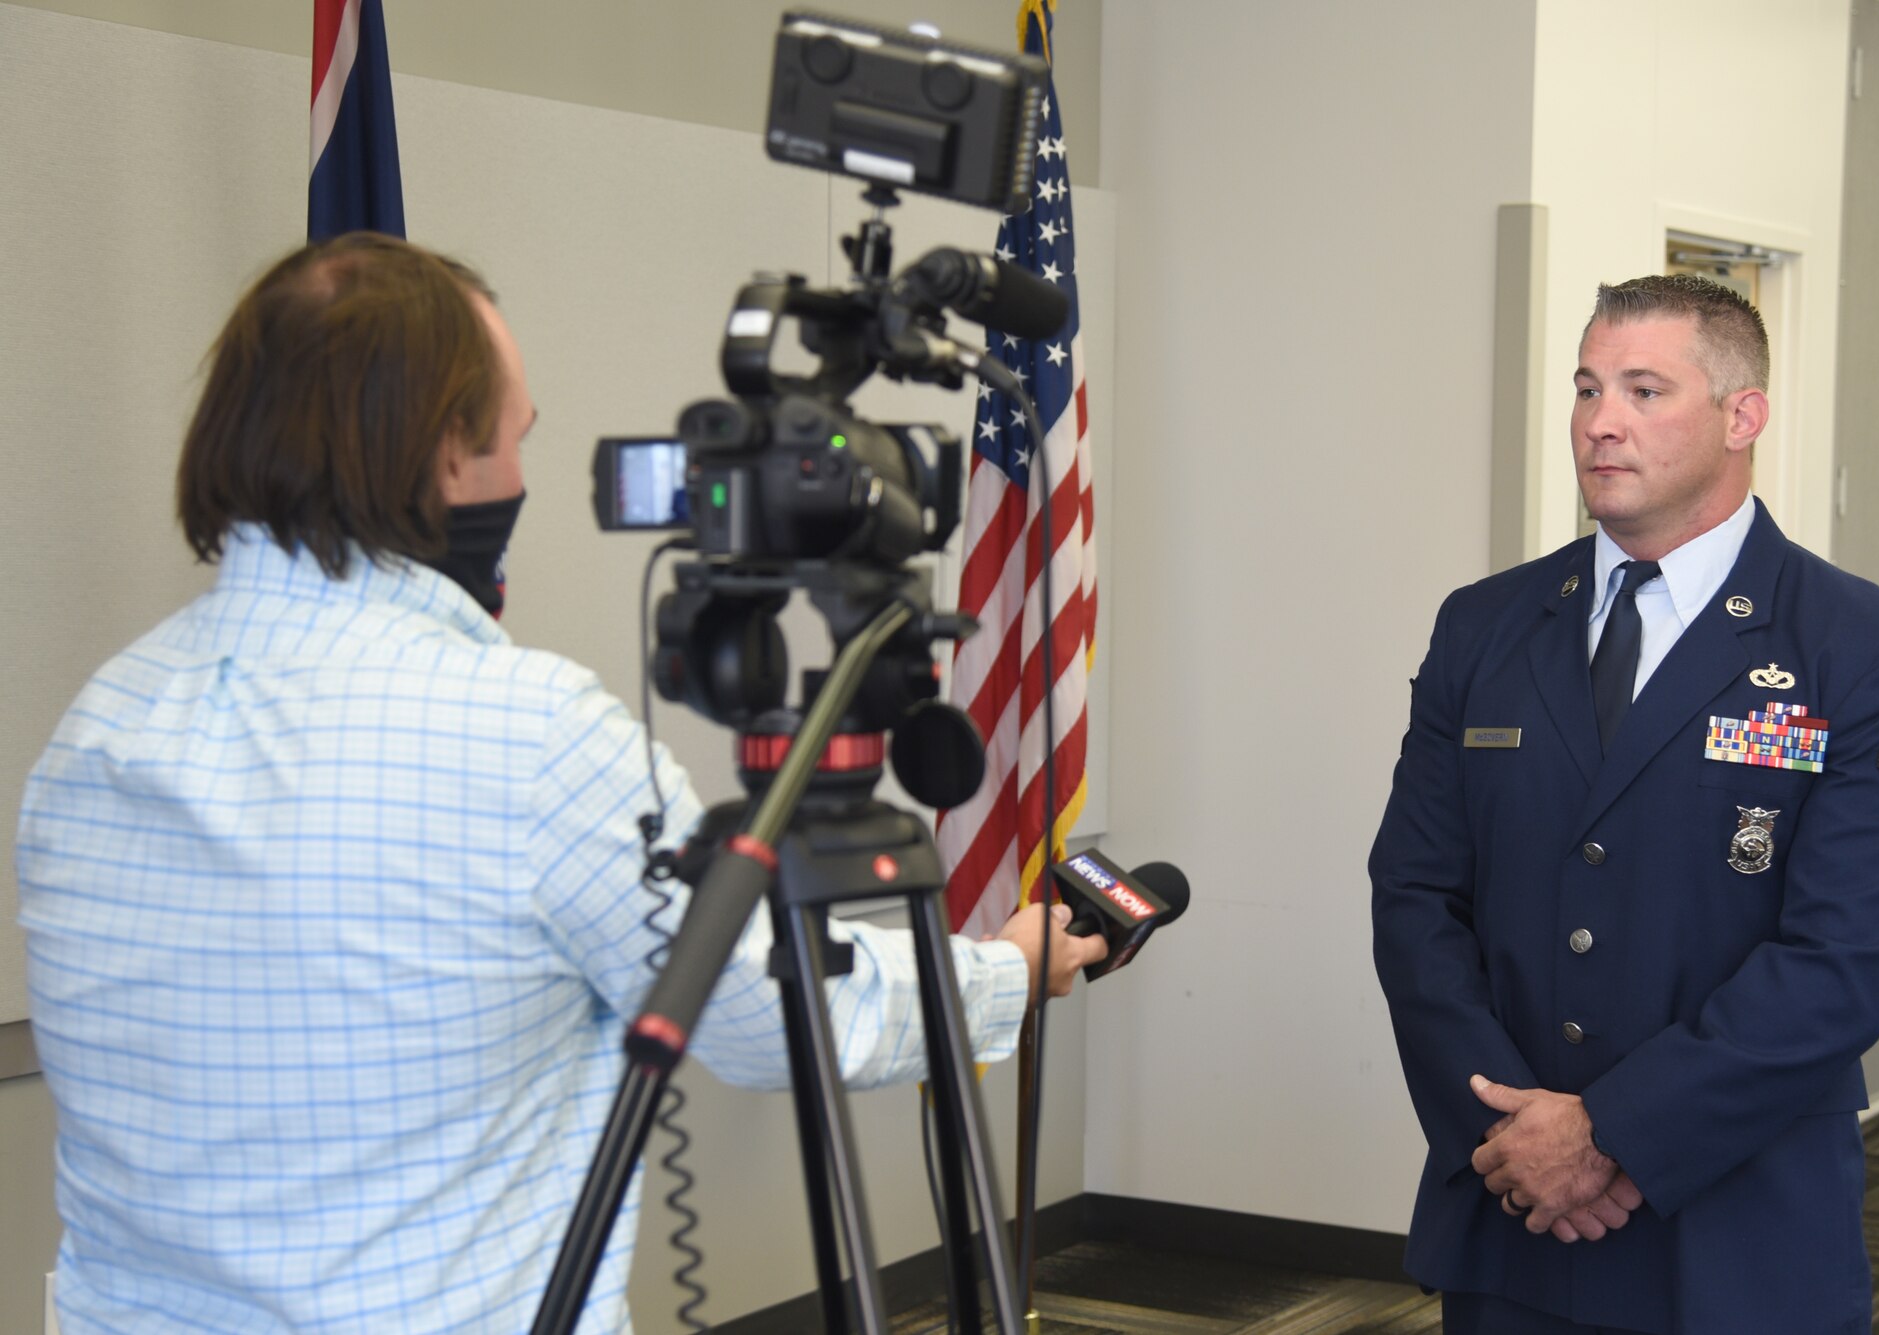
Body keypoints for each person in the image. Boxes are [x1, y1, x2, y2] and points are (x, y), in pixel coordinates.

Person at [16, 232, 1106, 1335]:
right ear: (446, 453)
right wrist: (1006, 968)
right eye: (513, 437)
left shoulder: (99, 724)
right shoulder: (525, 736)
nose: (523, 476)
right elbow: (774, 1012)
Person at [1370, 274, 1879, 1333]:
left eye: (1644, 391)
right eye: (1587, 387)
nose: (1599, 423)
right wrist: (1510, 1134)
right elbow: (1413, 896)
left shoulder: (1868, 650)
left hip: (1738, 1227)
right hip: (1513, 1221)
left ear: (1743, 417)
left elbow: (1844, 960)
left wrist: (1609, 1135)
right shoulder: (1483, 625)